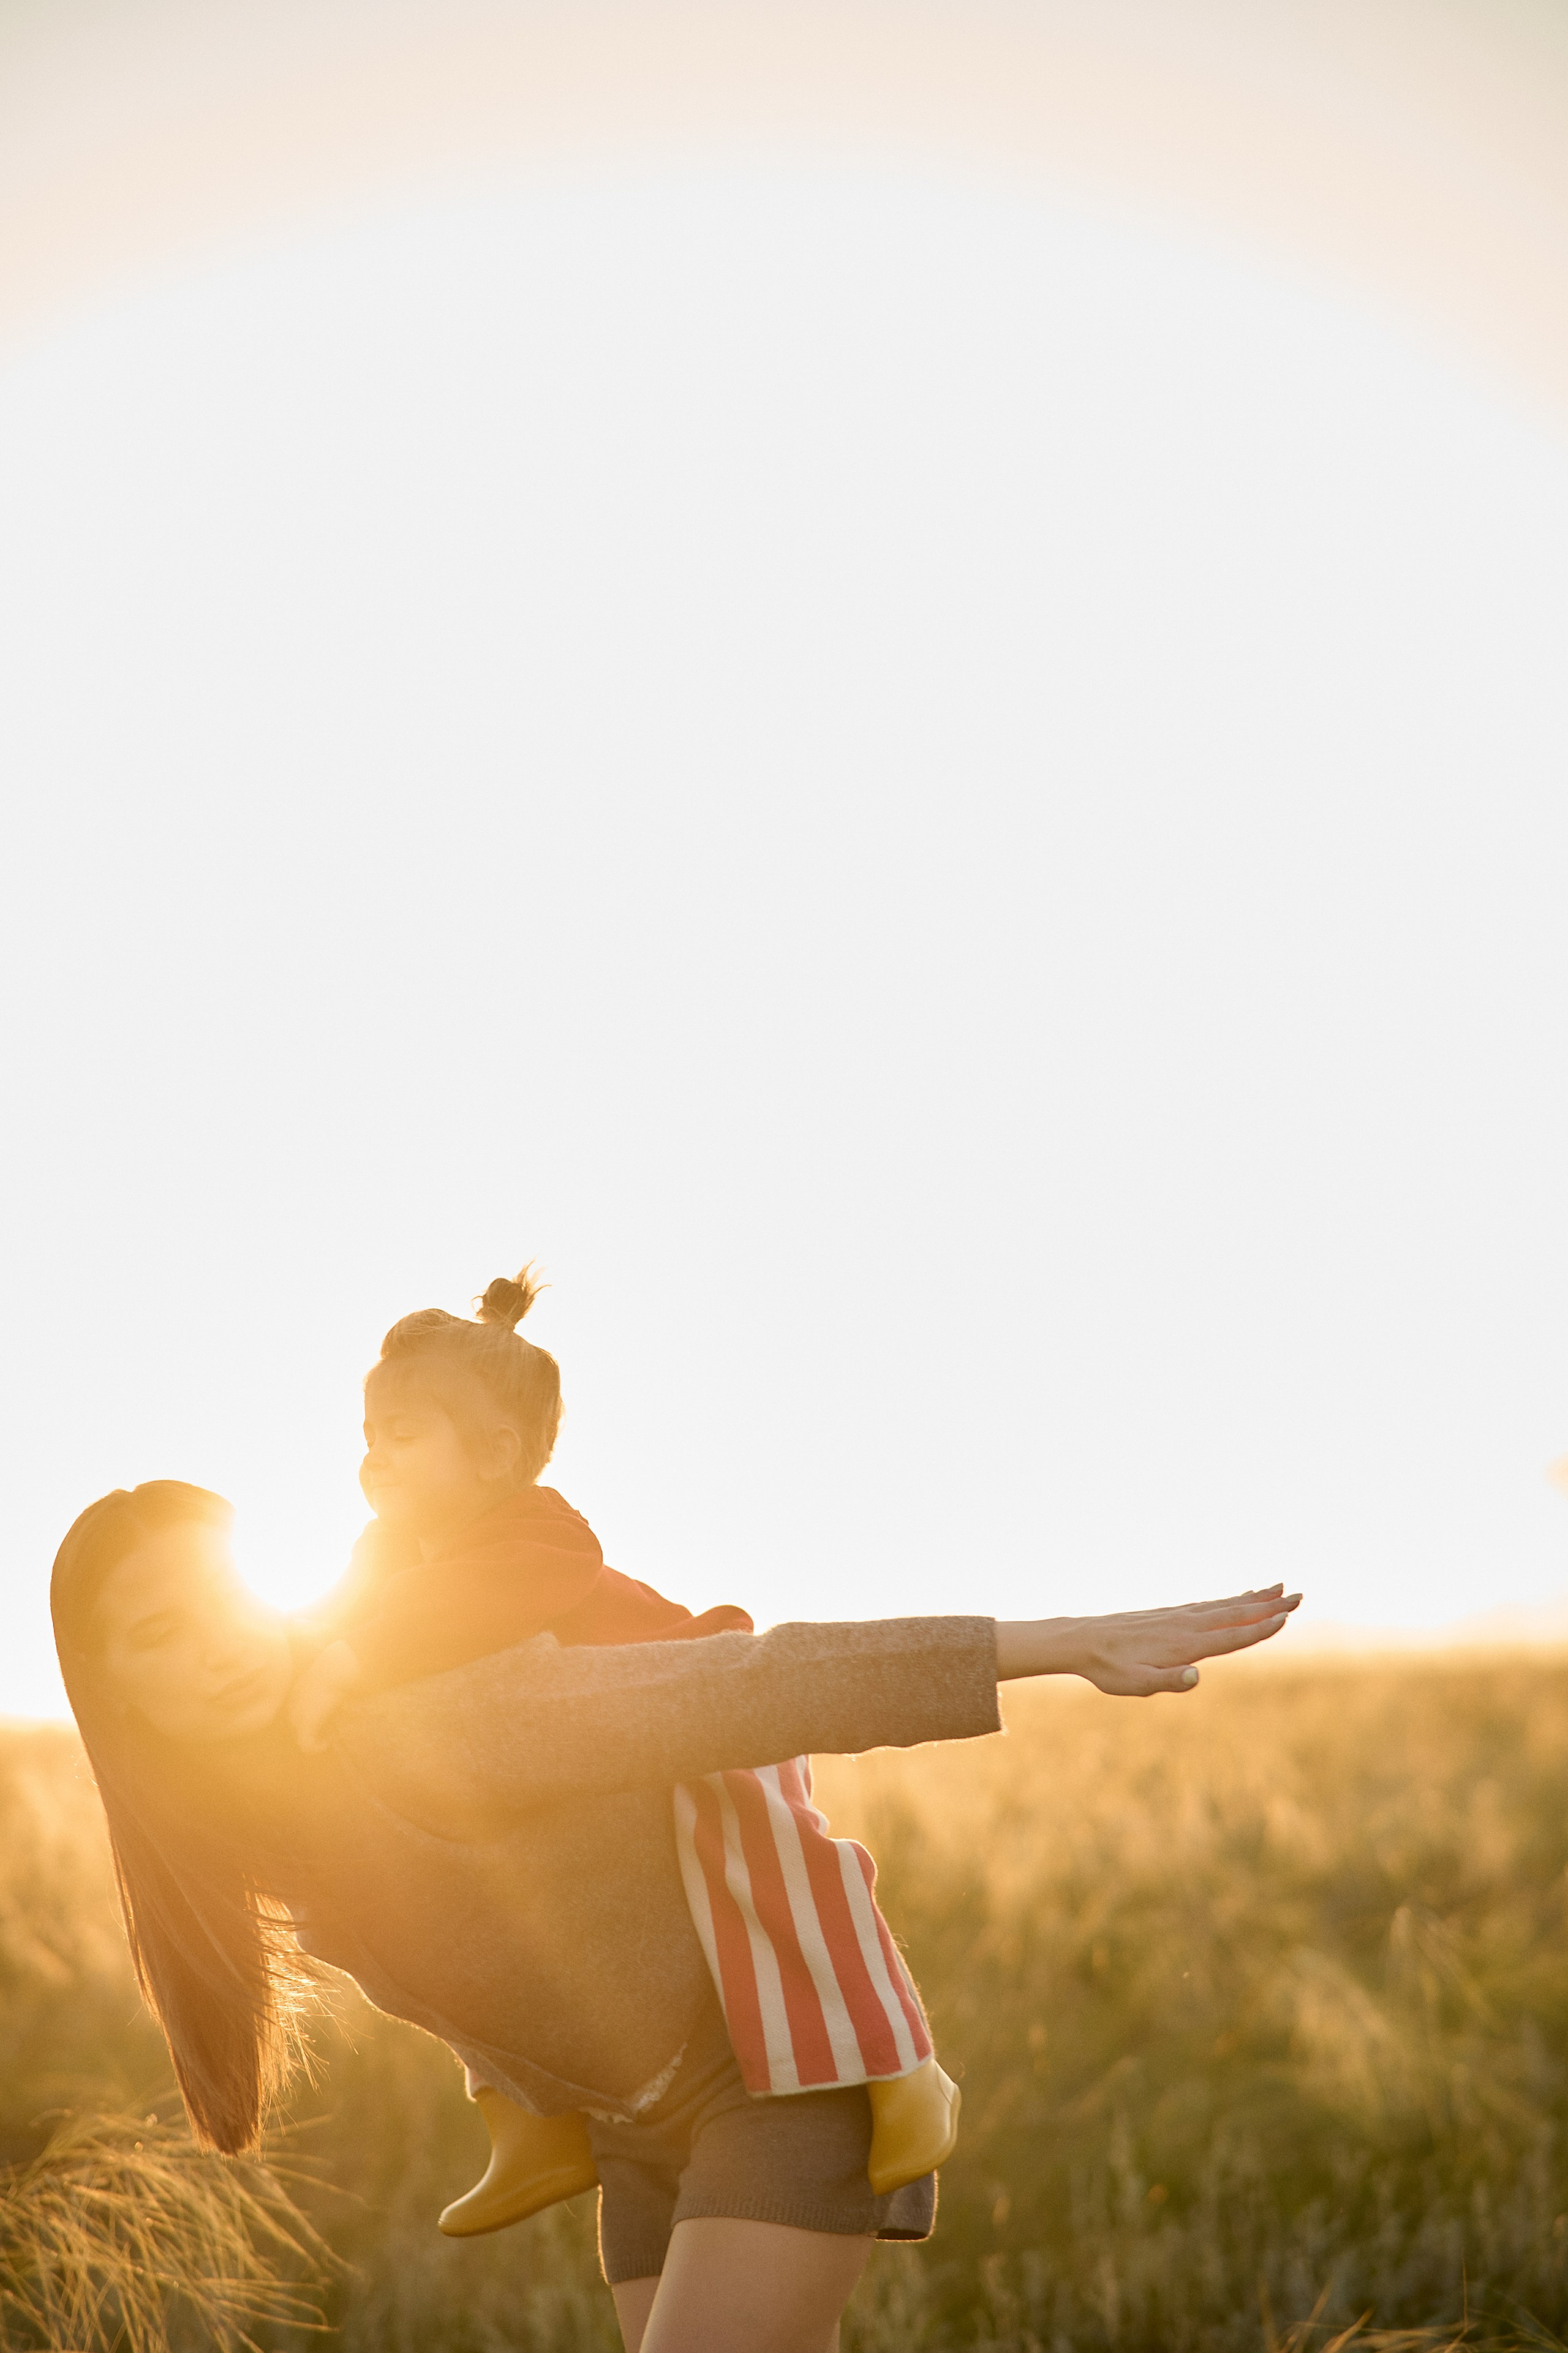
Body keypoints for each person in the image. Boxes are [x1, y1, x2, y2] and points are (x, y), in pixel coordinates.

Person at [51, 1478, 1297, 2353]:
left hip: (771, 2086)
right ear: (116, 1688)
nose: (216, 1647)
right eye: (162, 1633)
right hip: (635, 2145)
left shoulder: (432, 1719)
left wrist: (1055, 1642)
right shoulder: (247, 1832)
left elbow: (748, 1685)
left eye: (225, 1603)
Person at [284, 1266, 962, 2238]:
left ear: (495, 1453)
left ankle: (902, 2061)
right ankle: (533, 2128)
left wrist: (349, 1655)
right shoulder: (382, 1552)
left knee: (781, 1871)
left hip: (702, 1697)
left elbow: (437, 1615)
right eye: (366, 1436)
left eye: (401, 1434)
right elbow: (339, 1617)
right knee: (469, 1890)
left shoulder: (536, 1533)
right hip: (596, 1757)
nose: (373, 1457)